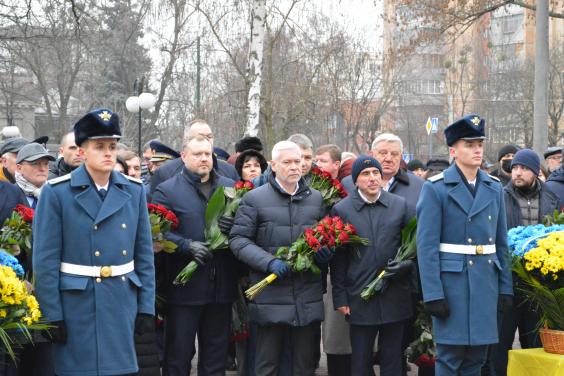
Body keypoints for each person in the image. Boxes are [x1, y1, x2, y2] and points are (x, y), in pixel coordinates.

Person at [33, 108, 156, 376]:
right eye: (99, 146)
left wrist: (146, 306)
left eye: (112, 146)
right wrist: (51, 314)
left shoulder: (133, 191)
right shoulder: (57, 194)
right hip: (77, 305)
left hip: (120, 301)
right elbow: (45, 260)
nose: (108, 153)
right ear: (82, 151)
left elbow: (144, 255)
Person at [416, 114, 513, 376]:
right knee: (449, 358)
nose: (477, 149)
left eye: (479, 143)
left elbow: (501, 243)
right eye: (469, 144)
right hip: (452, 286)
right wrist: (433, 294)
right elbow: (426, 248)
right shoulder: (435, 189)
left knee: (477, 358)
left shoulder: (494, 188)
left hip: (485, 283)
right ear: (453, 150)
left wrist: (506, 286)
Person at [229, 141, 331, 376]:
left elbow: (324, 237)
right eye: (287, 162)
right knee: (268, 366)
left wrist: (325, 256)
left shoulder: (316, 199)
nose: (295, 167)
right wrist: (269, 262)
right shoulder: (255, 199)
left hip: (306, 298)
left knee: (304, 366)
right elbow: (239, 240)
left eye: (298, 161)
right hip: (270, 297)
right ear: (273, 165)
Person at [152, 135, 238, 376]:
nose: (204, 159)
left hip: (220, 286)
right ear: (184, 156)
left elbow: (244, 231)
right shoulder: (167, 190)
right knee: (178, 357)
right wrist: (186, 245)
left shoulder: (230, 187)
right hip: (184, 288)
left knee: (215, 358)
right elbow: (158, 234)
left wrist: (234, 226)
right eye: (197, 154)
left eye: (207, 154)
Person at [331, 156, 413, 376]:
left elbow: (412, 245)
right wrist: (340, 297)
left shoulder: (399, 206)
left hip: (394, 294)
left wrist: (405, 265)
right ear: (355, 180)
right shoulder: (342, 210)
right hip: (360, 296)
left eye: (376, 173)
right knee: (361, 360)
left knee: (393, 358)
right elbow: (338, 260)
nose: (372, 178)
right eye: (365, 174)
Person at [489, 149, 559, 376]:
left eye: (523, 168)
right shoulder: (499, 196)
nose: (517, 173)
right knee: (500, 346)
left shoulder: (552, 198)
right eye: (515, 168)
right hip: (507, 283)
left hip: (537, 286)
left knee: (535, 346)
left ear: (536, 171)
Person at [149, 119, 239, 197]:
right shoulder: (165, 172)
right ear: (186, 140)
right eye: (201, 136)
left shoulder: (229, 171)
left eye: (209, 136)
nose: (206, 140)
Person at [342, 134, 424, 217]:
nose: (388, 159)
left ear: (401, 157)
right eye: (383, 153)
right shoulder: (349, 184)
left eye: (394, 154)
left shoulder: (419, 186)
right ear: (372, 154)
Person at [15, 143, 55, 209]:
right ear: (19, 168)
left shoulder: (55, 194)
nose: (42, 169)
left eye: (46, 164)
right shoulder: (7, 195)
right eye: (35, 164)